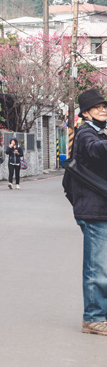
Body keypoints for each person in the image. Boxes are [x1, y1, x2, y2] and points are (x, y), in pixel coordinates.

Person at [68, 89, 107, 336]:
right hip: (93, 210)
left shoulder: (99, 132)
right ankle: (93, 318)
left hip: (100, 207)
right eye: (98, 107)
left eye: (105, 106)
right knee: (97, 267)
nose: (103, 109)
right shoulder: (85, 133)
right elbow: (95, 150)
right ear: (85, 112)